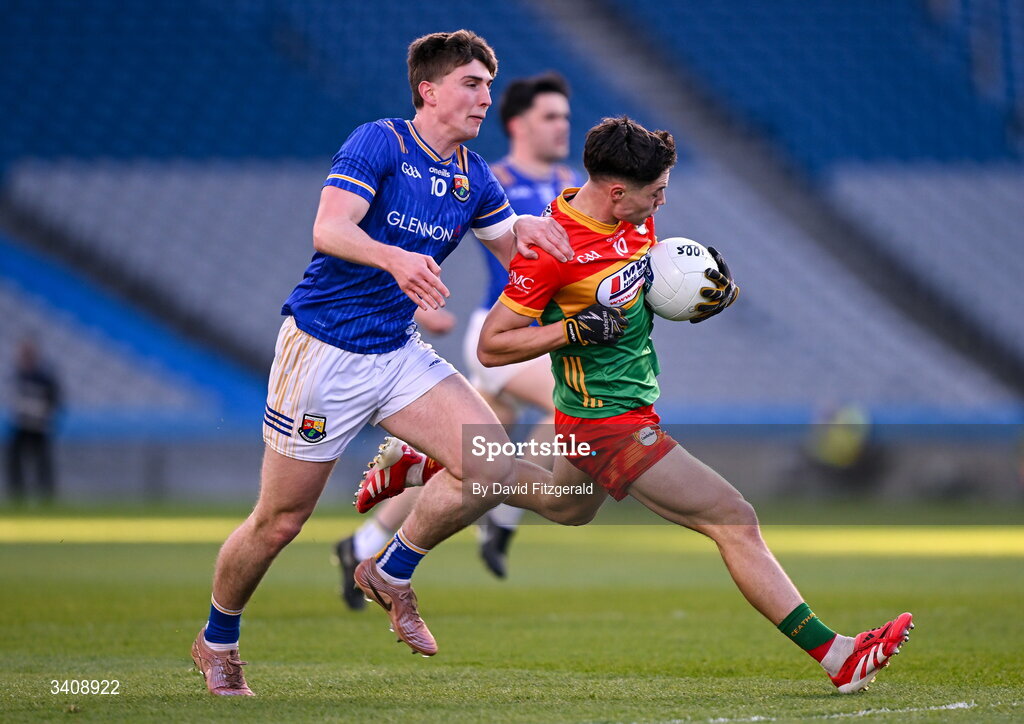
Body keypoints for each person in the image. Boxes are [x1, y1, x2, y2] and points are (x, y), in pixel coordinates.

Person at [351, 116, 914, 694]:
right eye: (656, 192)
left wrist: (701, 294)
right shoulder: (553, 248)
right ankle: (837, 655)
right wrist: (573, 329)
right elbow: (491, 345)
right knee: (734, 518)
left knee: (564, 504)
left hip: (608, 411)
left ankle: (426, 464)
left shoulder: (634, 221)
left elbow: (643, 288)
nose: (662, 200)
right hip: (606, 423)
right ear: (617, 190)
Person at [189, 29, 576, 697]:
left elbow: (518, 257)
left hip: (396, 353)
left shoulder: (473, 176)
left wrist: (548, 240)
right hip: (323, 351)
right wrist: (396, 259)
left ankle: (391, 569)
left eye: (488, 83)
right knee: (280, 520)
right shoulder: (381, 142)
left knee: (486, 463)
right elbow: (330, 229)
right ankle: (217, 639)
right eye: (471, 83)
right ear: (429, 90)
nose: (485, 96)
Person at [333, 72, 579, 602]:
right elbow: (409, 237)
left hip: (539, 339)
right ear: (518, 124)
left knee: (466, 455)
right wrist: (418, 308)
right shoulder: (492, 180)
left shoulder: (572, 187)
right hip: (504, 335)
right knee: (576, 405)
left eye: (565, 115)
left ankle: (363, 543)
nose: (563, 126)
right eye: (551, 116)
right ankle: (504, 516)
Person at [6, 339, 61, 504]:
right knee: (15, 461)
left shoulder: (43, 377)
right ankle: (18, 497)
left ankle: (46, 498)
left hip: (39, 426)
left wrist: (45, 414)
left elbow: (55, 400)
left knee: (42, 463)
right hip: (21, 425)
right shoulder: (18, 375)